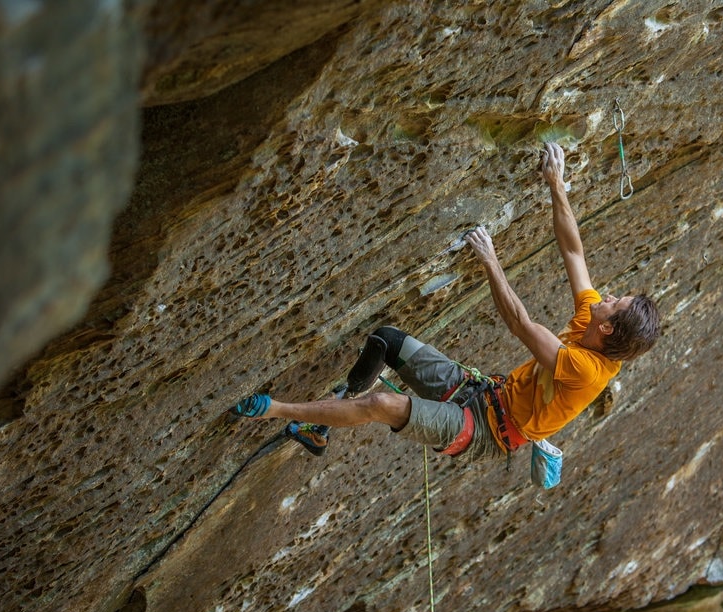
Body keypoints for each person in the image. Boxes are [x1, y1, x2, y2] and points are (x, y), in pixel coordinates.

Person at [232, 142, 660, 461]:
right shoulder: (594, 323)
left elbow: (521, 325)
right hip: (484, 394)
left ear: (607, 329)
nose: (609, 295)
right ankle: (322, 426)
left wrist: (491, 261)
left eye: (615, 303)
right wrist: (555, 184)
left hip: (483, 433)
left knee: (382, 405)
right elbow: (573, 253)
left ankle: (276, 410)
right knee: (386, 340)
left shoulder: (587, 371)